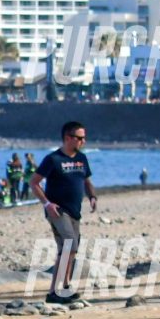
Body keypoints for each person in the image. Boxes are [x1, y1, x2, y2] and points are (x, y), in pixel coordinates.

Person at [34, 121, 99, 305]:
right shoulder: (53, 159)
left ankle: (64, 288)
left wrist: (92, 196)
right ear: (68, 138)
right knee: (70, 245)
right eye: (79, 138)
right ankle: (55, 291)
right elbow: (34, 182)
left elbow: (86, 181)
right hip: (57, 210)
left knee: (69, 250)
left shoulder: (82, 158)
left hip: (74, 211)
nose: (83, 141)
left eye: (84, 138)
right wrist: (47, 204)